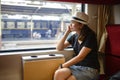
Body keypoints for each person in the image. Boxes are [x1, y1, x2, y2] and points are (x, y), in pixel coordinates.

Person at [54, 12, 100, 80]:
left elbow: (80, 57)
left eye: (73, 23)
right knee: (58, 73)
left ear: (81, 25)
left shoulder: (90, 36)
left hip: (90, 69)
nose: (70, 25)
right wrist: (67, 32)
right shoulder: (75, 36)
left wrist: (62, 65)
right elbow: (59, 48)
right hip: (77, 66)